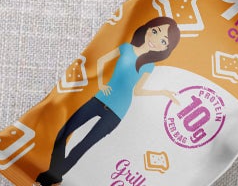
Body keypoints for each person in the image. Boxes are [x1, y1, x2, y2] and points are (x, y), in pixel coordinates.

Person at [35, 17, 183, 185]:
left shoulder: (149, 65)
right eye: (155, 31)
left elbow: (137, 90)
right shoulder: (126, 48)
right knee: (63, 132)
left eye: (163, 41)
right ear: (148, 29)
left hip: (117, 112)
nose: (156, 40)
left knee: (83, 146)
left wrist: (162, 92)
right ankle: (56, 175)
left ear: (165, 48)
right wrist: (101, 84)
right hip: (99, 98)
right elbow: (101, 61)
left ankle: (51, 177)